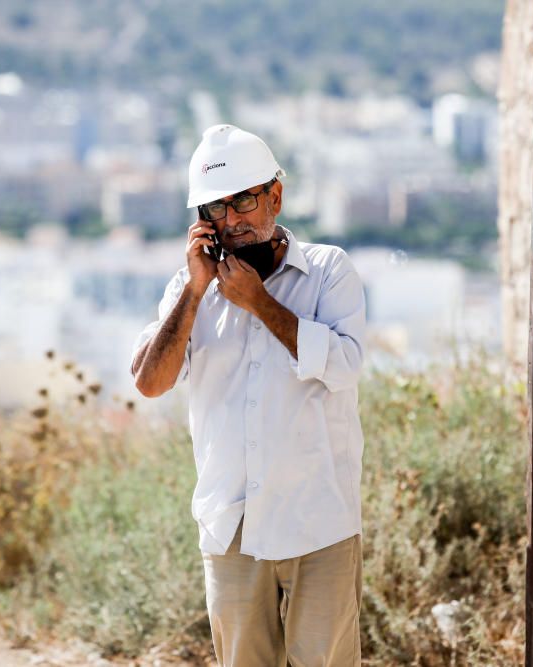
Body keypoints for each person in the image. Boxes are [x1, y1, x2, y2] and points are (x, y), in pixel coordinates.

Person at [130, 124, 367, 666]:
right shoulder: (187, 291)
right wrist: (195, 290)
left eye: (243, 201)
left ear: (274, 197)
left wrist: (259, 303)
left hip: (318, 522)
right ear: (199, 221)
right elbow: (150, 381)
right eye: (215, 208)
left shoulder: (329, 272)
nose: (231, 220)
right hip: (230, 525)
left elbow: (345, 365)